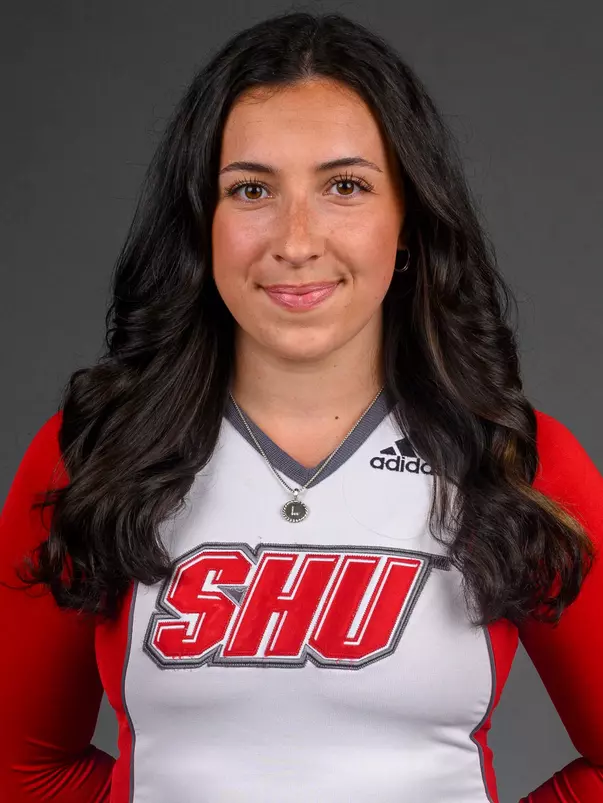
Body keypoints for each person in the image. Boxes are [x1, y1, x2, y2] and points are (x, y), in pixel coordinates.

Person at [0, 10, 601, 803]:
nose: (295, 239)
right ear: (200, 221)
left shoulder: (514, 460)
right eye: (250, 189)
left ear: (408, 223)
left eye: (344, 186)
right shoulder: (96, 452)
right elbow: (21, 769)